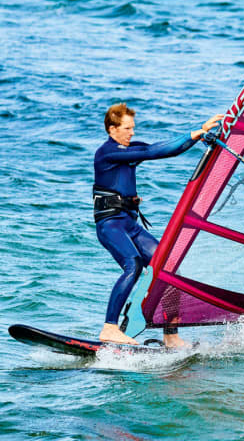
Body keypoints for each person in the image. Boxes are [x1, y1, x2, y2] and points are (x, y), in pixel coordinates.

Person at [93, 102, 223, 346]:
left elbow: (161, 149)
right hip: (110, 224)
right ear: (112, 129)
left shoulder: (129, 149)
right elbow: (152, 153)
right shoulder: (107, 153)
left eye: (133, 128)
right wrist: (195, 131)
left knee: (169, 269)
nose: (132, 133)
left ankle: (171, 335)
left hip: (129, 224)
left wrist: (198, 137)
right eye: (127, 128)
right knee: (132, 263)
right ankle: (109, 328)